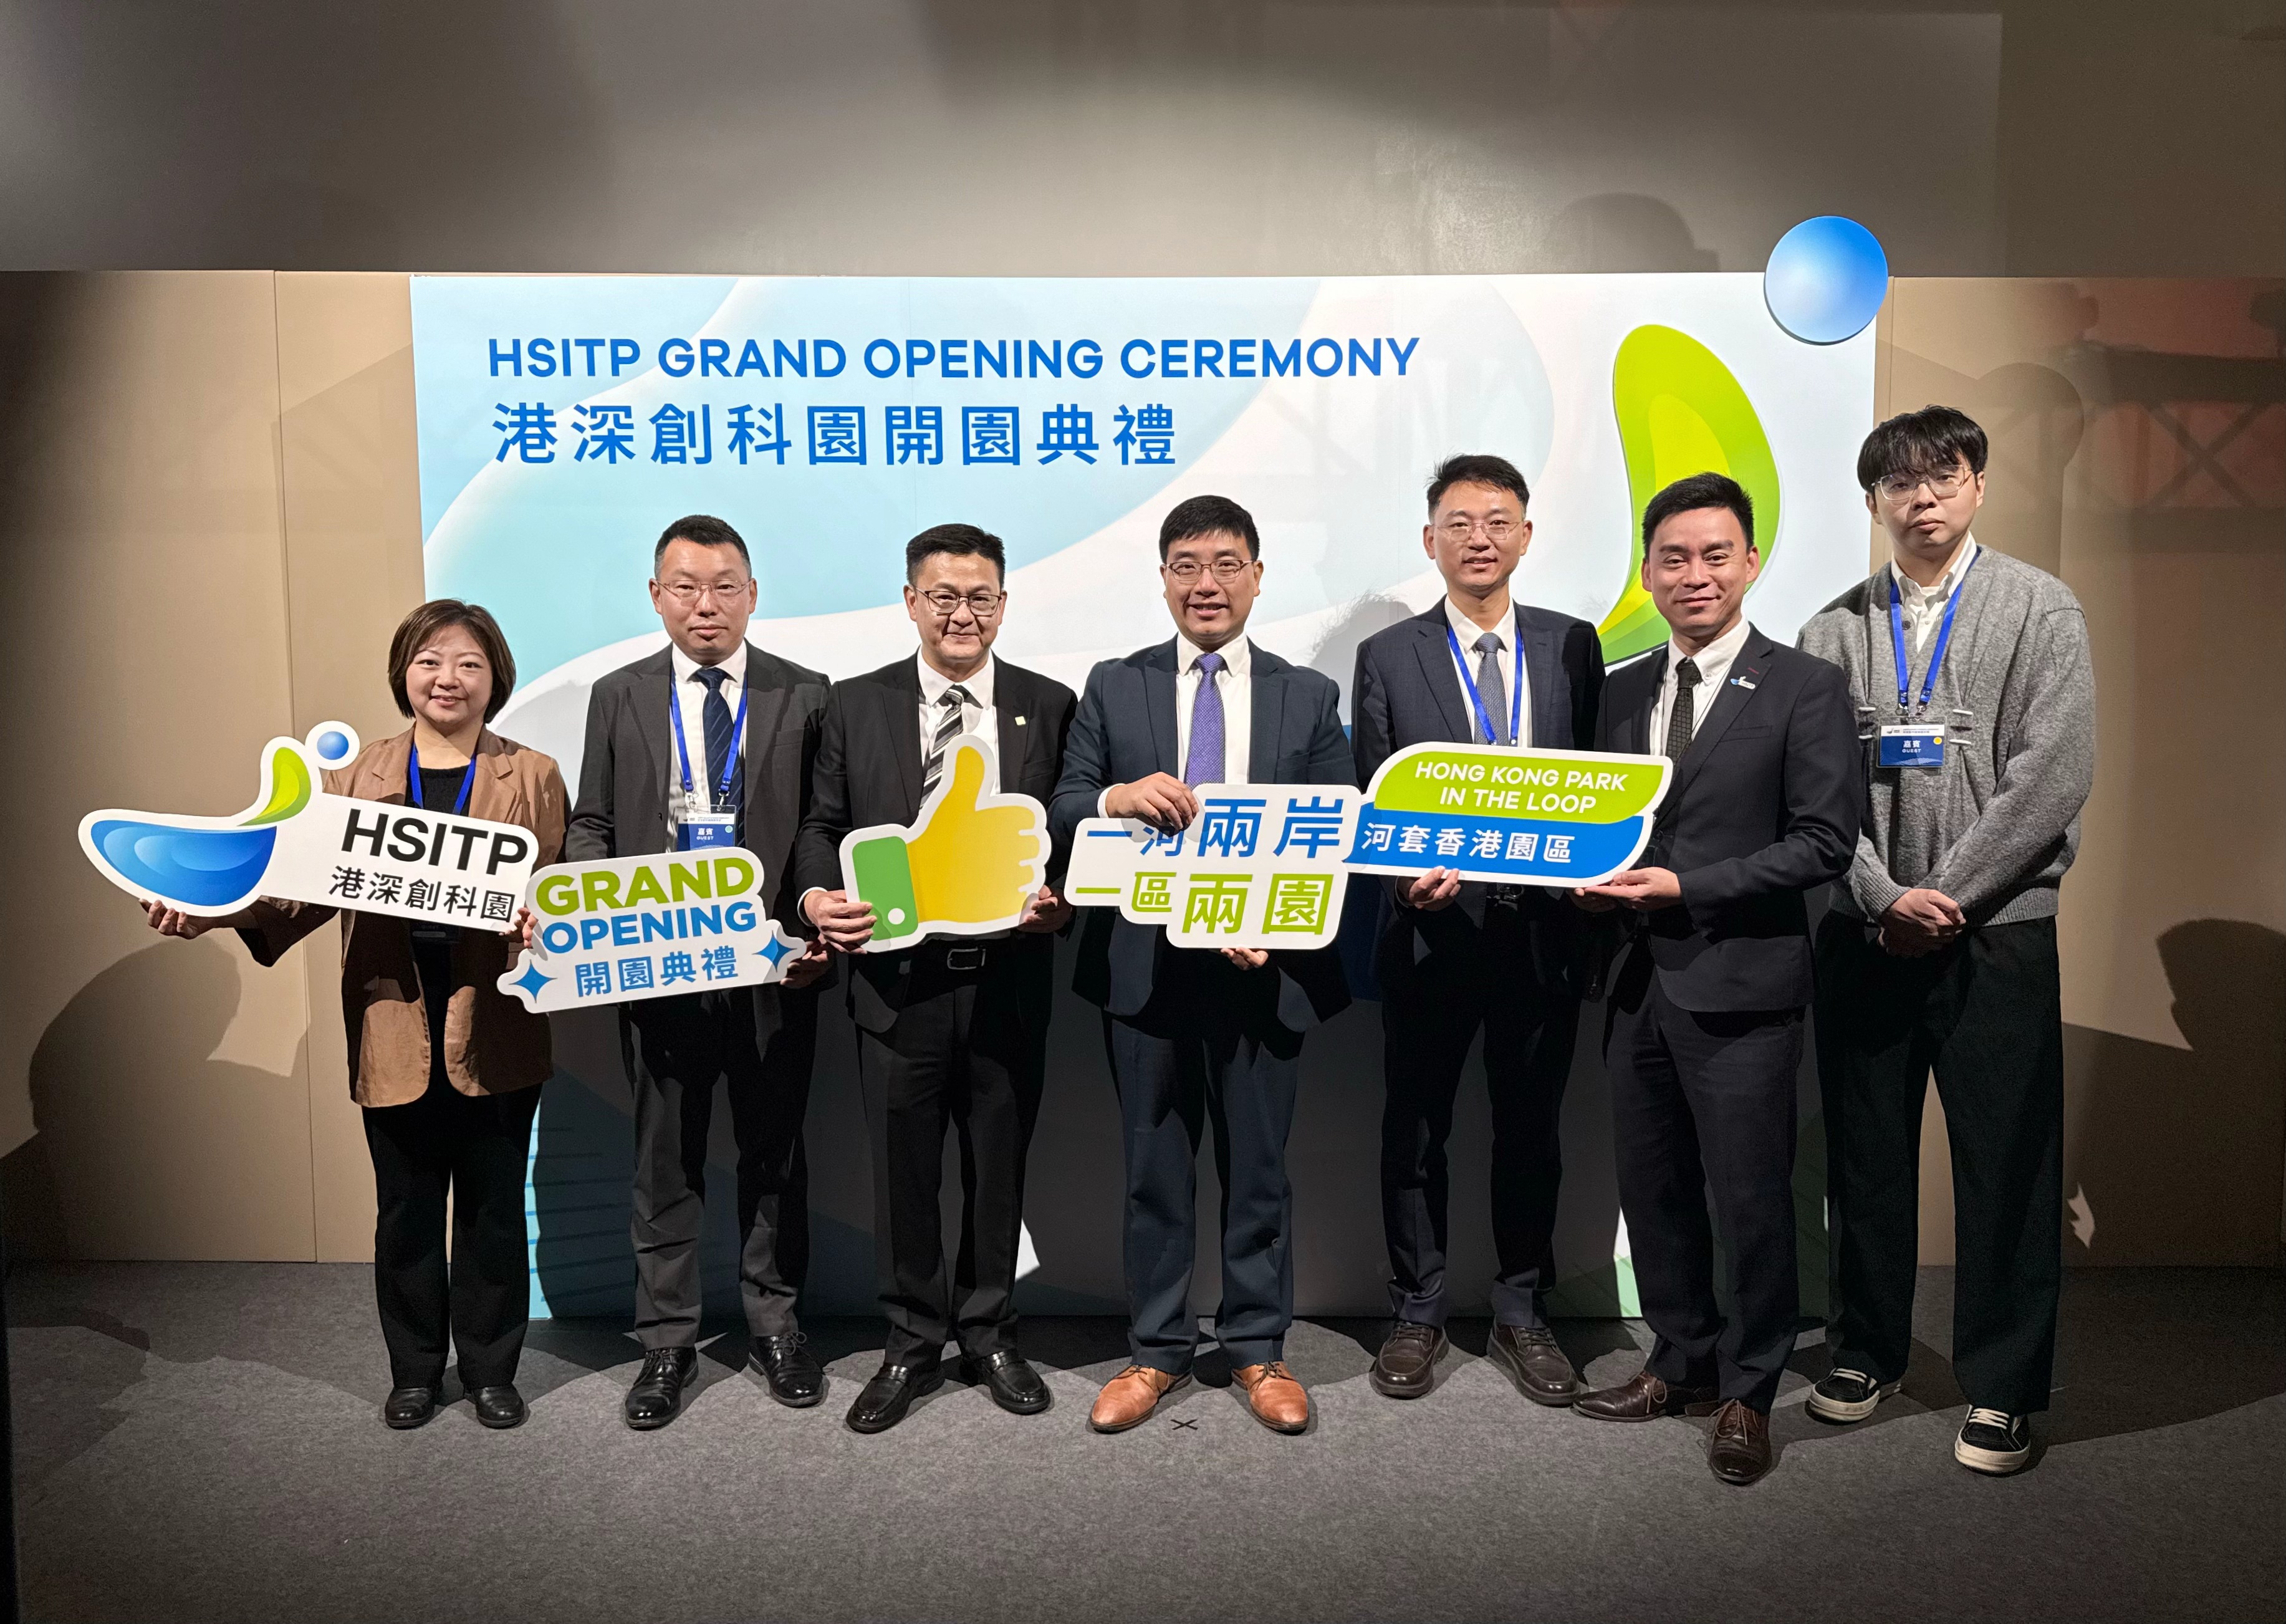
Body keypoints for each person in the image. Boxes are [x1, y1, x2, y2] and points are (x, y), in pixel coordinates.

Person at [143, 601, 565, 1432]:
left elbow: (556, 884)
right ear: (404, 673)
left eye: (469, 663)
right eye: (430, 661)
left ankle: (491, 1371)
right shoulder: (355, 776)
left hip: (496, 1018)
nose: (448, 678)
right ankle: (415, 1372)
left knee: (491, 1208)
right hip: (391, 1017)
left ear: (496, 678)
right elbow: (296, 893)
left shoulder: (535, 773)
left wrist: (542, 921)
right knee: (405, 1207)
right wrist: (211, 912)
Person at [1797, 406, 2095, 1476]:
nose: (1921, 497)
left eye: (1944, 474)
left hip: (1998, 933)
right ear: (1872, 500)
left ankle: (2004, 1386)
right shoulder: (1831, 630)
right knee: (1867, 1157)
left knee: (2008, 1163)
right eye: (1899, 482)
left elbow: (2052, 775)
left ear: (1977, 485)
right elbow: (1816, 794)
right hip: (1866, 933)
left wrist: (1948, 896)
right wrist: (1882, 897)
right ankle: (1865, 1351)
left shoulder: (2040, 607)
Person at [1568, 473, 1858, 1486]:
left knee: (1752, 1199)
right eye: (1674, 558)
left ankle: (1749, 1388)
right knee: (1653, 1190)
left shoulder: (1805, 686)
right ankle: (1680, 1358)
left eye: (1714, 554)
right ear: (1648, 572)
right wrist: (1582, 881)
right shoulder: (1617, 688)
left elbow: (1823, 842)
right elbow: (1589, 822)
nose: (1694, 574)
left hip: (1744, 984)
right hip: (1631, 981)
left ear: (1751, 563)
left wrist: (1689, 885)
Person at [1049, 494, 1353, 1436]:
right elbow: (1063, 804)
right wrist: (1117, 795)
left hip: (1262, 968)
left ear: (1258, 576)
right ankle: (1157, 1350)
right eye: (1186, 565)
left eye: (1226, 564)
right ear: (1164, 579)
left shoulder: (1309, 695)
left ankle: (1259, 1347)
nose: (1206, 584)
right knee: (1154, 1171)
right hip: (1147, 972)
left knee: (1258, 1173)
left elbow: (1339, 827)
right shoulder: (1116, 684)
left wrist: (1279, 929)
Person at [792, 524, 1077, 1434]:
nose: (962, 613)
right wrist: (814, 897)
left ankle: (990, 1333)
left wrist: (1063, 904)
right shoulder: (853, 704)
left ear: (1004, 603)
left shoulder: (1049, 704)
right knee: (903, 1177)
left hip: (1008, 980)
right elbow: (818, 824)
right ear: (911, 601)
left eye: (980, 597)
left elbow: (1070, 834)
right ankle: (911, 1342)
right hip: (894, 985)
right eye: (944, 596)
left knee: (998, 1171)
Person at [565, 514, 833, 1430]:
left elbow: (819, 828)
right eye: (685, 587)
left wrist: (815, 924)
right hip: (659, 966)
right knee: (664, 1163)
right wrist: (593, 910)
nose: (705, 604)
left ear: (753, 595)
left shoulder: (807, 693)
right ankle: (667, 1341)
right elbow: (593, 823)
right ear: (656, 596)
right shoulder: (619, 695)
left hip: (774, 969)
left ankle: (776, 1326)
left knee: (775, 1157)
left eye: (724, 586)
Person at [1349, 453, 1605, 1405]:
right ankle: (1418, 1309)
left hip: (1541, 934)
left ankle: (1521, 1309)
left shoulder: (1573, 645)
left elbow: (1600, 781)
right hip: (1430, 935)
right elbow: (1373, 798)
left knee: (1530, 1129)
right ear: (1431, 540)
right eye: (1459, 522)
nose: (1479, 538)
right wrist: (1402, 879)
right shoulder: (1389, 655)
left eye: (1498, 521)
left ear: (1526, 536)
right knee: (1414, 1130)